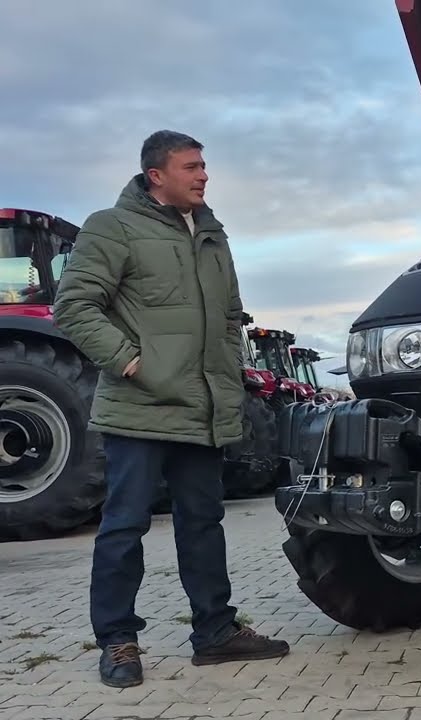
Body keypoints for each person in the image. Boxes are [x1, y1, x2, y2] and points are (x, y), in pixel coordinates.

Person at [52, 130, 290, 688]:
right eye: (192, 166)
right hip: (139, 407)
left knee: (203, 524)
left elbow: (231, 315)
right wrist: (132, 363)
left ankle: (216, 633)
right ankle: (118, 641)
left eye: (204, 165)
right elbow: (74, 306)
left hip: (201, 409)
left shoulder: (211, 232)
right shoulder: (113, 227)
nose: (203, 175)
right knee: (125, 525)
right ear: (156, 175)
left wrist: (228, 374)